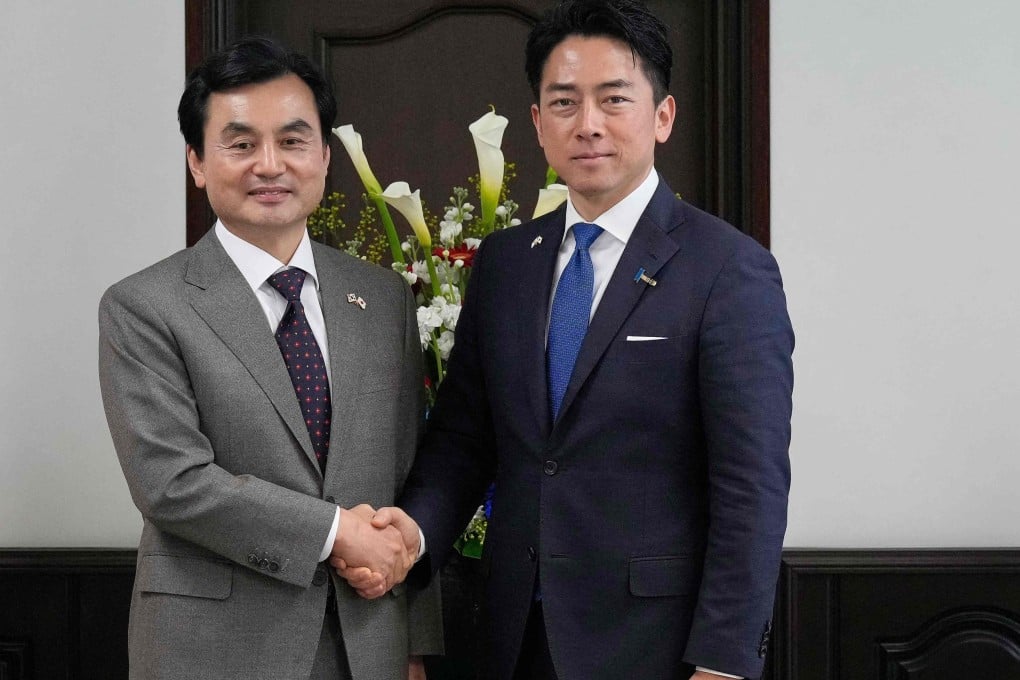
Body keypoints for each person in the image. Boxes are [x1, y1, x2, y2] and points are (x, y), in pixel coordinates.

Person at [340, 1, 794, 678]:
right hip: (510, 633)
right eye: (564, 102)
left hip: (655, 644)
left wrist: (725, 662)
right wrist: (413, 531)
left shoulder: (728, 269)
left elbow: (750, 485)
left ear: (662, 116)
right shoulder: (505, 263)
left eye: (614, 99)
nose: (588, 125)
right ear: (537, 125)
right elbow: (466, 437)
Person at [98, 37, 440, 680]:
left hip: (367, 644)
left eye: (292, 140)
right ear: (197, 162)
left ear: (324, 156)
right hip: (214, 648)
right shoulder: (144, 306)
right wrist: (336, 531)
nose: (269, 164)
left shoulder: (383, 296)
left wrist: (414, 646)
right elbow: (172, 484)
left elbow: (406, 478)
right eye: (240, 143)